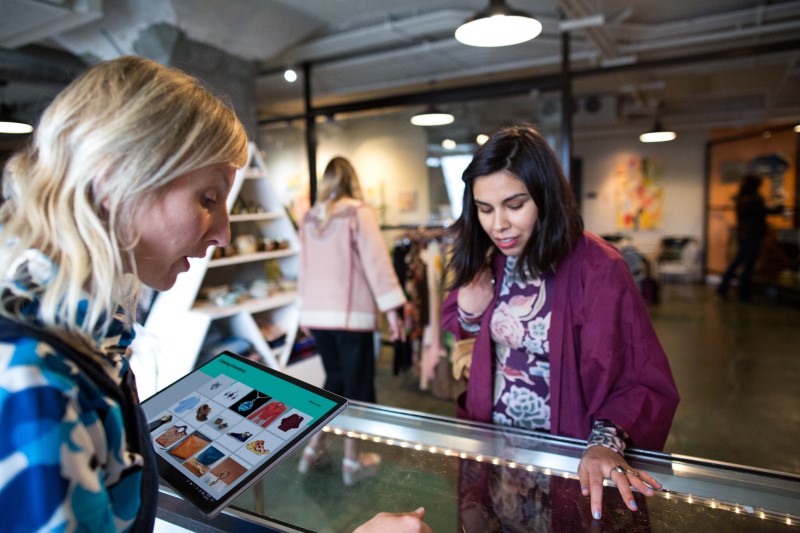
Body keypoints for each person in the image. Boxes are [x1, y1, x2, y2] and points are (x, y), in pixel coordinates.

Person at [0, 56, 428, 533]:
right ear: (116, 180)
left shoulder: (81, 338)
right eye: (207, 198)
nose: (223, 232)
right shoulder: (33, 377)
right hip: (350, 316)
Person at [441, 126, 680, 522]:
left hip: (567, 454)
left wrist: (605, 443)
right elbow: (461, 326)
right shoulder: (490, 257)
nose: (498, 224)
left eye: (514, 205)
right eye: (484, 209)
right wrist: (468, 306)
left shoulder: (599, 267)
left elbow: (640, 376)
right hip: (496, 450)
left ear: (545, 196)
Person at [297, 156, 407, 486]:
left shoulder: (309, 217)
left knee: (336, 381)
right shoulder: (358, 212)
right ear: (351, 179)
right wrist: (392, 309)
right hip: (351, 316)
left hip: (318, 315)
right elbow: (377, 263)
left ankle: (312, 448)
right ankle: (350, 460)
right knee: (356, 388)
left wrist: (303, 310)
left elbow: (304, 268)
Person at [717, 174, 783, 301]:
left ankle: (725, 287)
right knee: (748, 263)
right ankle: (742, 292)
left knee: (739, 261)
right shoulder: (753, 199)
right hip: (752, 235)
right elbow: (763, 211)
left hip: (744, 234)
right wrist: (778, 209)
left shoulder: (742, 198)